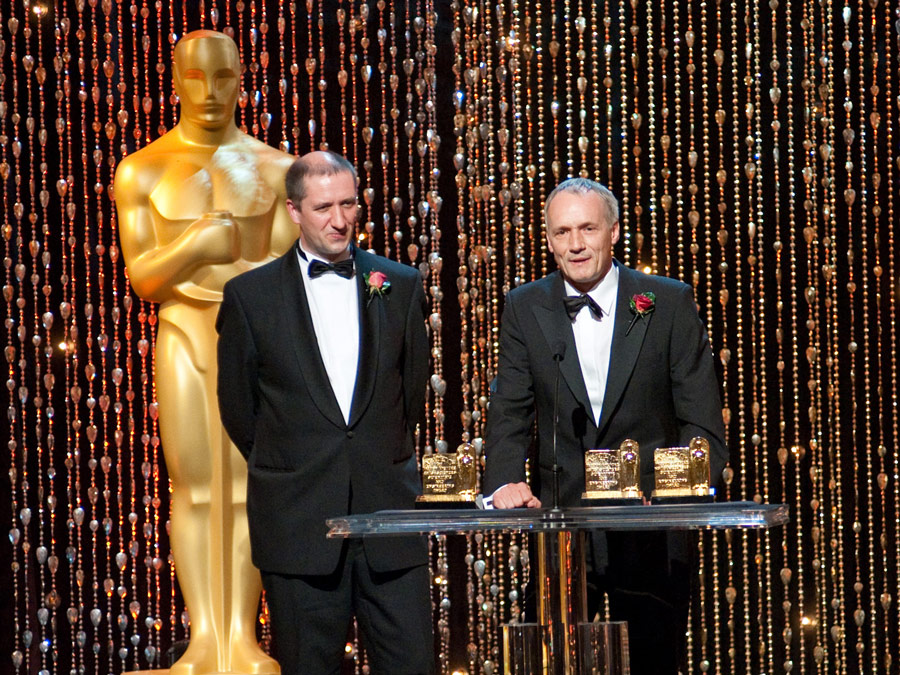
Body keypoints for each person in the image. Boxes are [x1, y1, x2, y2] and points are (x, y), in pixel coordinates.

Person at [482, 177, 729, 674]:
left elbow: (700, 419)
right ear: (549, 238)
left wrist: (676, 493)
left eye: (588, 228)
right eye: (562, 232)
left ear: (613, 232)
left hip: (652, 528)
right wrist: (505, 481)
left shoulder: (668, 301)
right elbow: (509, 410)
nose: (575, 244)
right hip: (562, 531)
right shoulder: (525, 306)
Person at [115, 29, 296, 674]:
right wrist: (194, 246)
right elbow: (144, 276)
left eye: (223, 77)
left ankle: (241, 641)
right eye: (196, 78)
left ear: (242, 77)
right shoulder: (142, 169)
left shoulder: (276, 168)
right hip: (185, 326)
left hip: (254, 338)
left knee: (248, 488)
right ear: (175, 80)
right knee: (193, 487)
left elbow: (288, 268)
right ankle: (203, 641)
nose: (211, 92)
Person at [216, 151, 434, 674]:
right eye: (323, 208)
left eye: (348, 204)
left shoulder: (398, 284)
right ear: (293, 211)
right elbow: (240, 411)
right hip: (298, 523)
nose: (339, 220)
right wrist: (300, 459)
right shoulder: (250, 297)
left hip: (390, 520)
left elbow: (413, 397)